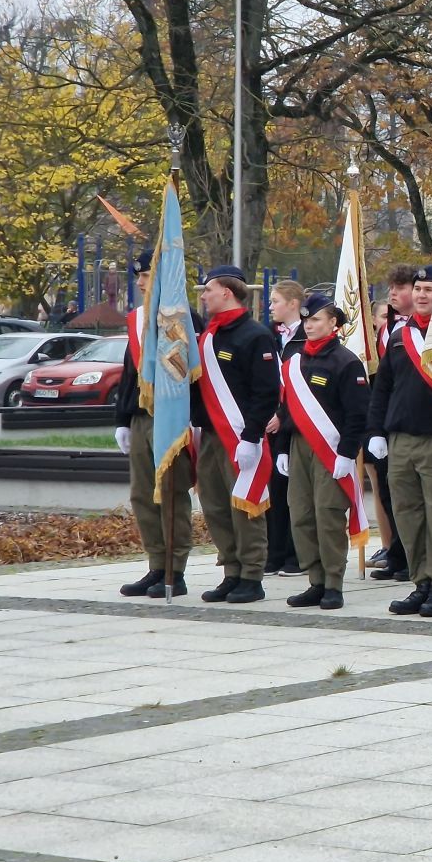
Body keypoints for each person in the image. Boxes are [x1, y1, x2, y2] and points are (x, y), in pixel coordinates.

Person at [365, 263, 432, 618]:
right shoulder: (400, 335)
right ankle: (421, 582)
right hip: (400, 442)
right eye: (419, 289)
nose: (422, 295)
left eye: (430, 289)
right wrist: (376, 431)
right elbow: (383, 388)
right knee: (408, 515)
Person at [274, 292, 369, 610]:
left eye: (315, 319)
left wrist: (346, 452)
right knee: (301, 514)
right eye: (306, 319)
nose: (309, 325)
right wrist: (283, 448)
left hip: (331, 450)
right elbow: (286, 410)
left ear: (334, 324)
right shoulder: (295, 361)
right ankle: (315, 580)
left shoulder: (346, 362)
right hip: (300, 446)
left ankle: (333, 583)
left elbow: (357, 414)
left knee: (327, 515)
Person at [192, 266, 279, 605]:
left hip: (242, 438)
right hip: (213, 435)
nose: (203, 296)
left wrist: (252, 436)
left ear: (226, 292)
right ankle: (231, 570)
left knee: (246, 506)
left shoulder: (254, 335)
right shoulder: (210, 336)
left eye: (208, 290)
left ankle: (252, 575)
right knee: (215, 506)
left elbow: (267, 391)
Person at [115, 249, 197, 599]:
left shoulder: (184, 318)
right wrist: (121, 419)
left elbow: (194, 374)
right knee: (143, 495)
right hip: (141, 417)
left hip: (171, 417)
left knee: (172, 494)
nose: (140, 282)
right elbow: (128, 374)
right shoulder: (138, 320)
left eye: (145, 276)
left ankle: (174, 570)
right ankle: (155, 565)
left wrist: (196, 421)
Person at [369, 264, 417, 581]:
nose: (393, 295)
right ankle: (396, 553)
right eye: (391, 289)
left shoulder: (428, 328)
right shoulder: (389, 329)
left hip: (417, 421)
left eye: (400, 288)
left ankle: (414, 557)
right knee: (391, 493)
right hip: (388, 418)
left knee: (415, 498)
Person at [264, 280, 307, 577]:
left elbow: (304, 385)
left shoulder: (307, 335)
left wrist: (284, 415)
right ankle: (274, 552)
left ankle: (297, 553)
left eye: (276, 301)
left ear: (293, 303)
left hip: (298, 423)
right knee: (274, 490)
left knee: (297, 493)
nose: (271, 306)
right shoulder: (268, 335)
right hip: (270, 423)